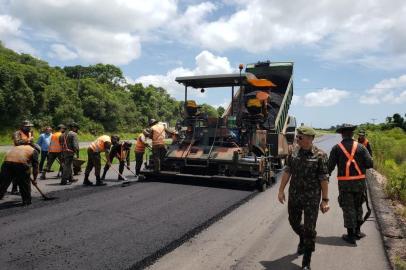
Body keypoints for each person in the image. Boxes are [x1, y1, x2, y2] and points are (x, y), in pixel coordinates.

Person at [278, 126, 330, 270]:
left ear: (309, 139)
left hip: (311, 198)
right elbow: (288, 171)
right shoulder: (293, 151)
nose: (297, 139)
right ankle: (304, 237)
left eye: (300, 137)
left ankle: (306, 262)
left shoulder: (320, 155)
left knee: (309, 229)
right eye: (297, 137)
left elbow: (324, 178)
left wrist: (325, 200)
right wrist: (281, 190)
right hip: (294, 195)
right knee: (293, 222)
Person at [328, 124, 373, 244]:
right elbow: (370, 163)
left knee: (348, 208)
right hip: (359, 183)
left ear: (342, 134)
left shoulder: (336, 148)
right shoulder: (361, 147)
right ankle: (357, 231)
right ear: (352, 134)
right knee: (358, 206)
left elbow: (329, 167)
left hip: (345, 184)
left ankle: (350, 235)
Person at [10, 120, 35, 194]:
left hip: (27, 154)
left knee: (27, 172)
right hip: (18, 154)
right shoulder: (17, 133)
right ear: (22, 126)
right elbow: (17, 142)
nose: (29, 128)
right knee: (17, 173)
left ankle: (25, 188)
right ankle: (14, 188)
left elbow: (31, 143)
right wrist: (28, 140)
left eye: (30, 126)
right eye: (27, 127)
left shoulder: (30, 132)